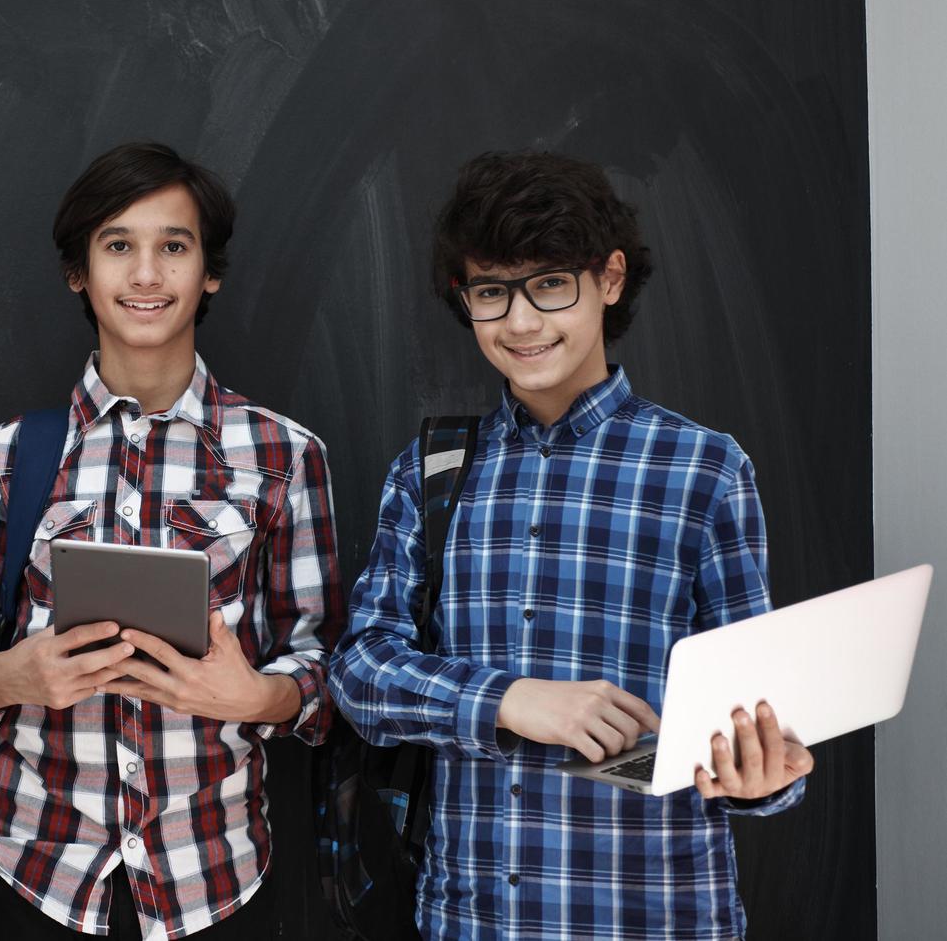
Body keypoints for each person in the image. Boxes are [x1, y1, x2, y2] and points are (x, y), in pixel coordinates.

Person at [327, 150, 814, 940]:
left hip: (657, 915)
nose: (520, 322)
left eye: (548, 284)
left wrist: (762, 777)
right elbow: (359, 672)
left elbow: (755, 714)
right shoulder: (431, 471)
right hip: (473, 919)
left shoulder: (705, 468)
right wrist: (511, 701)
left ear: (609, 279)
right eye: (490, 292)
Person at [0, 142, 345, 939]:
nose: (146, 275)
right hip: (34, 874)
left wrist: (260, 697)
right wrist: (10, 676)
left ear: (208, 271)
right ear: (79, 271)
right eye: (118, 246)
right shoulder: (9, 458)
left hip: (214, 879)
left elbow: (321, 668)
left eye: (172, 247)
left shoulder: (284, 455)